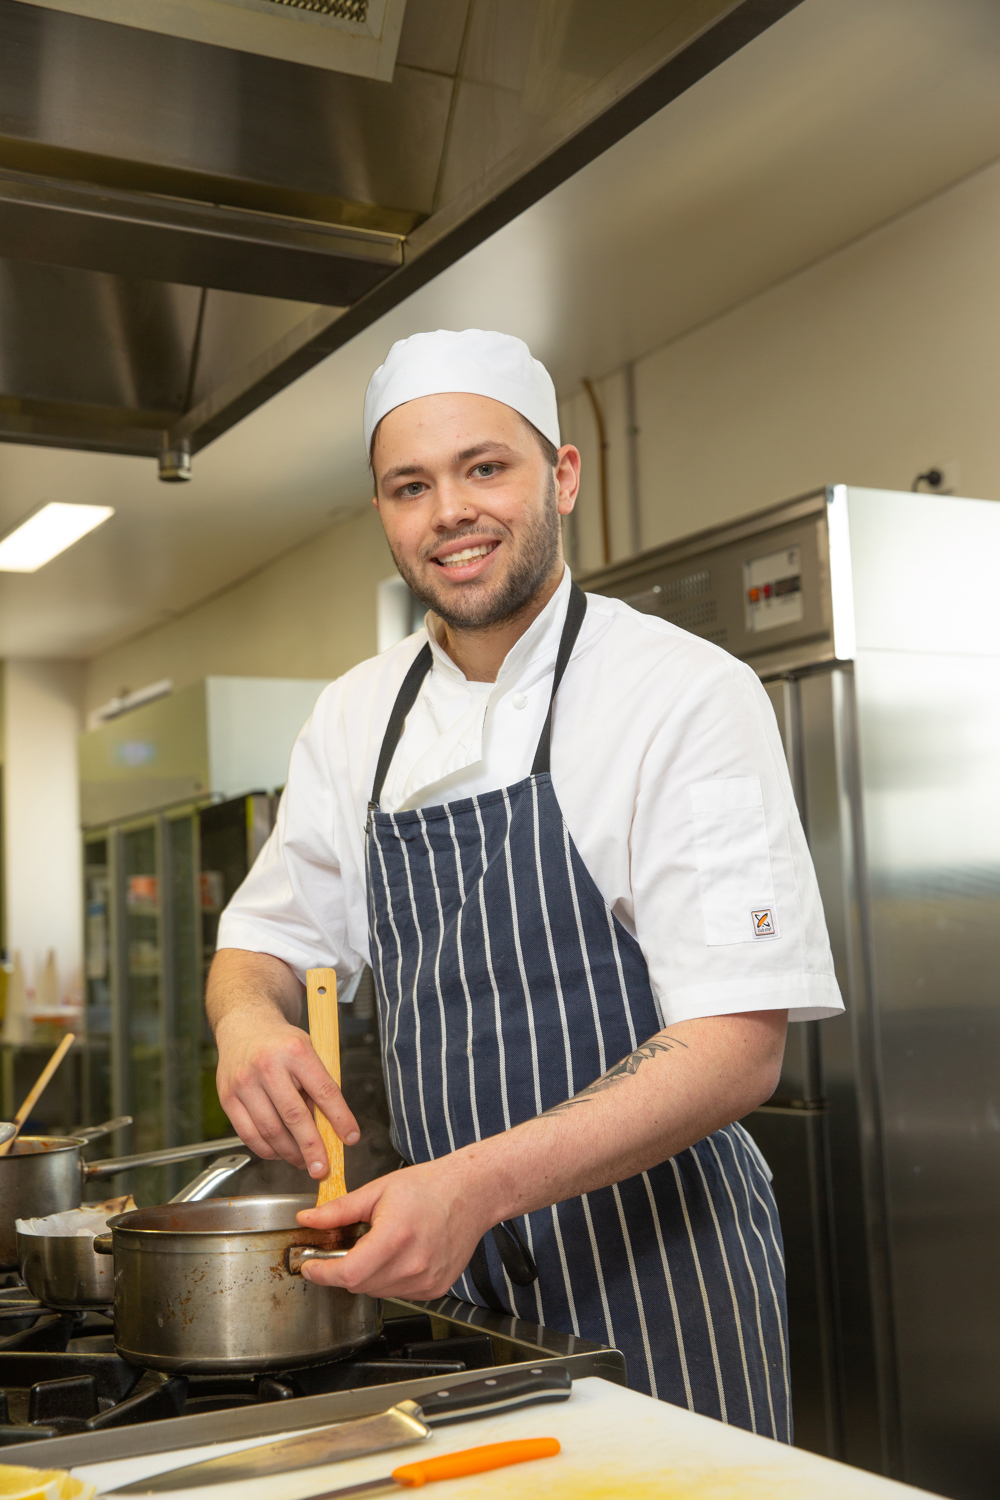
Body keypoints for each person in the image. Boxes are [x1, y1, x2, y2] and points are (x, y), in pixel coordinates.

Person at [207, 328, 843, 1438]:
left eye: (484, 467)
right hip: (444, 1277)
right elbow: (262, 941)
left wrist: (477, 1186)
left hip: (662, 1265)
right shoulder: (356, 713)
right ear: (384, 513)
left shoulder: (683, 694)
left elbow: (739, 1046)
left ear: (562, 477)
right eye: (411, 485)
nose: (448, 509)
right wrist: (244, 1025)